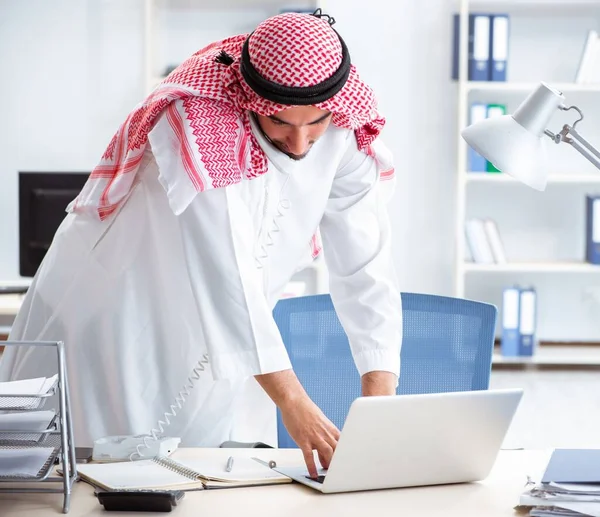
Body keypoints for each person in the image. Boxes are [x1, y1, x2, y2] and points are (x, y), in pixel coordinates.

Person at [0, 9, 402, 478]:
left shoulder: (342, 126)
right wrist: (293, 402)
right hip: (111, 314)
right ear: (251, 99)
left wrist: (380, 408)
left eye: (315, 123)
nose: (299, 143)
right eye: (280, 123)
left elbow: (365, 267)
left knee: (188, 474)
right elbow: (225, 270)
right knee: (78, 472)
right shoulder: (197, 120)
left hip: (218, 332)